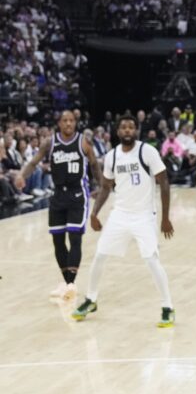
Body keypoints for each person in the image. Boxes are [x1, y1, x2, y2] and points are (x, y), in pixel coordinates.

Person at [72, 115, 176, 327]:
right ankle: (91, 300)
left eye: (131, 127)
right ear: (117, 132)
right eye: (124, 127)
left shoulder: (147, 151)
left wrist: (165, 217)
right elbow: (106, 187)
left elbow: (164, 183)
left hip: (144, 216)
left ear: (136, 131)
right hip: (120, 214)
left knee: (151, 259)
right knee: (100, 255)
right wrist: (94, 214)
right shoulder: (111, 156)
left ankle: (168, 306)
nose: (127, 130)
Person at [16, 110, 101, 300]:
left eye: (71, 120)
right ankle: (67, 283)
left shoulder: (83, 142)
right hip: (58, 196)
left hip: (78, 194)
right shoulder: (50, 142)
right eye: (65, 121)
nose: (68, 124)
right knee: (57, 241)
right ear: (59, 123)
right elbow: (34, 162)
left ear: (75, 123)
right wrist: (22, 175)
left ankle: (70, 283)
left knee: (75, 238)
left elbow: (94, 164)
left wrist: (100, 185)